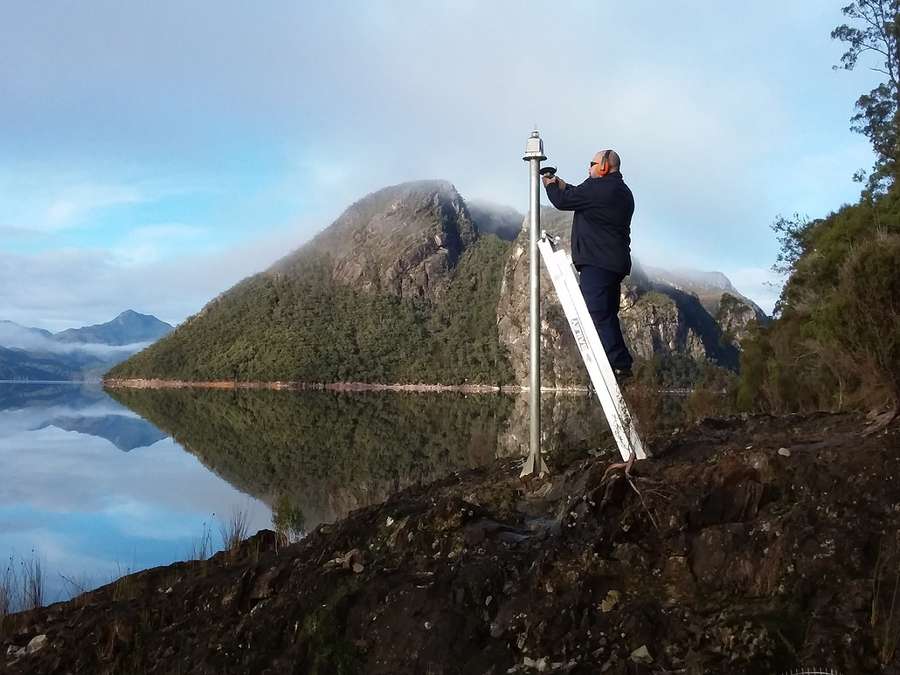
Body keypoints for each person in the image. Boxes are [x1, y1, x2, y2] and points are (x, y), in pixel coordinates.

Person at [542, 149, 634, 382]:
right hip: (615, 263)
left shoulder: (599, 189)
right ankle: (619, 366)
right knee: (608, 314)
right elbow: (579, 193)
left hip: (597, 262)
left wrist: (551, 185)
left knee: (595, 311)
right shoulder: (622, 191)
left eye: (591, 163)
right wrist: (562, 183)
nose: (588, 167)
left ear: (603, 166)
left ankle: (618, 363)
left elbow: (563, 201)